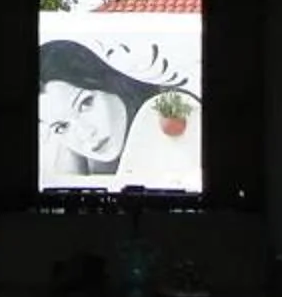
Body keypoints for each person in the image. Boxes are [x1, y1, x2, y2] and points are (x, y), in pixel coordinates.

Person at [38, 36, 197, 185]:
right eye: (61, 127)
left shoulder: (170, 111)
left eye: (86, 103)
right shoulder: (96, 157)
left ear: (112, 81)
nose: (86, 133)